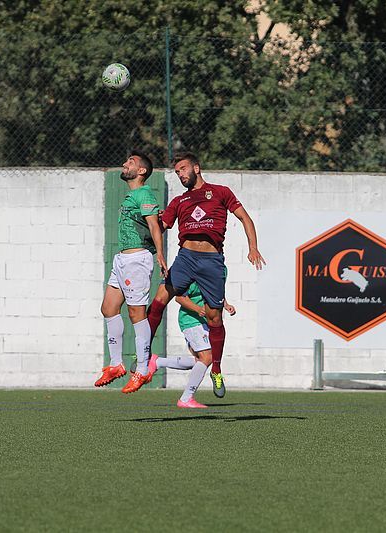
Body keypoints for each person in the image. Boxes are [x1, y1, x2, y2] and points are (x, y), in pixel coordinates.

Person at [126, 152, 265, 395]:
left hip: (212, 261)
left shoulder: (221, 192)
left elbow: (245, 218)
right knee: (158, 302)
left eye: (183, 169)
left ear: (196, 168)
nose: (180, 174)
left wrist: (253, 247)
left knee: (214, 318)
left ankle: (216, 370)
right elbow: (161, 226)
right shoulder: (179, 201)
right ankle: (144, 354)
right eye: (177, 172)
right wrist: (147, 218)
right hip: (186, 258)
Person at [93, 151, 167, 393]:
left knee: (137, 314)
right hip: (122, 259)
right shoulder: (132, 195)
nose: (125, 164)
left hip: (136, 260)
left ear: (141, 171)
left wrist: (160, 255)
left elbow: (154, 226)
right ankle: (116, 364)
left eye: (131, 162)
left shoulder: (144, 194)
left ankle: (143, 369)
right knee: (108, 308)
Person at [148, 280, 236, 408]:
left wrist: (226, 304)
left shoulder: (221, 270)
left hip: (205, 321)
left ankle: (157, 362)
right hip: (191, 320)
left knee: (201, 361)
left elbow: (216, 291)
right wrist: (197, 309)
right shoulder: (193, 274)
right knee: (208, 357)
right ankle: (186, 398)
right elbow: (179, 298)